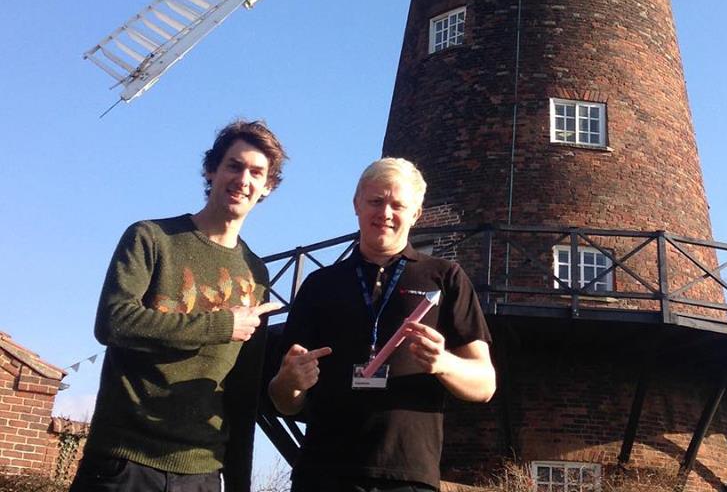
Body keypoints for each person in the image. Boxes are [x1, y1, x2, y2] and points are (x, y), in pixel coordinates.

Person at [70, 119, 287, 492]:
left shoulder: (256, 273)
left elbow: (242, 388)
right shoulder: (152, 238)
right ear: (211, 169)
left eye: (256, 172)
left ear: (267, 187)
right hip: (125, 461)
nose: (243, 180)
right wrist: (220, 326)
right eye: (234, 166)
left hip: (201, 471)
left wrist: (237, 483)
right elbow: (114, 322)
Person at [269, 157, 496, 492]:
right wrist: (290, 382)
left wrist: (443, 363)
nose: (385, 213)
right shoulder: (320, 284)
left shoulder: (445, 278)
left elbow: (485, 383)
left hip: (406, 473)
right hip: (323, 472)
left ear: (416, 213)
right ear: (356, 205)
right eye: (376, 201)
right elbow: (283, 399)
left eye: (397, 205)